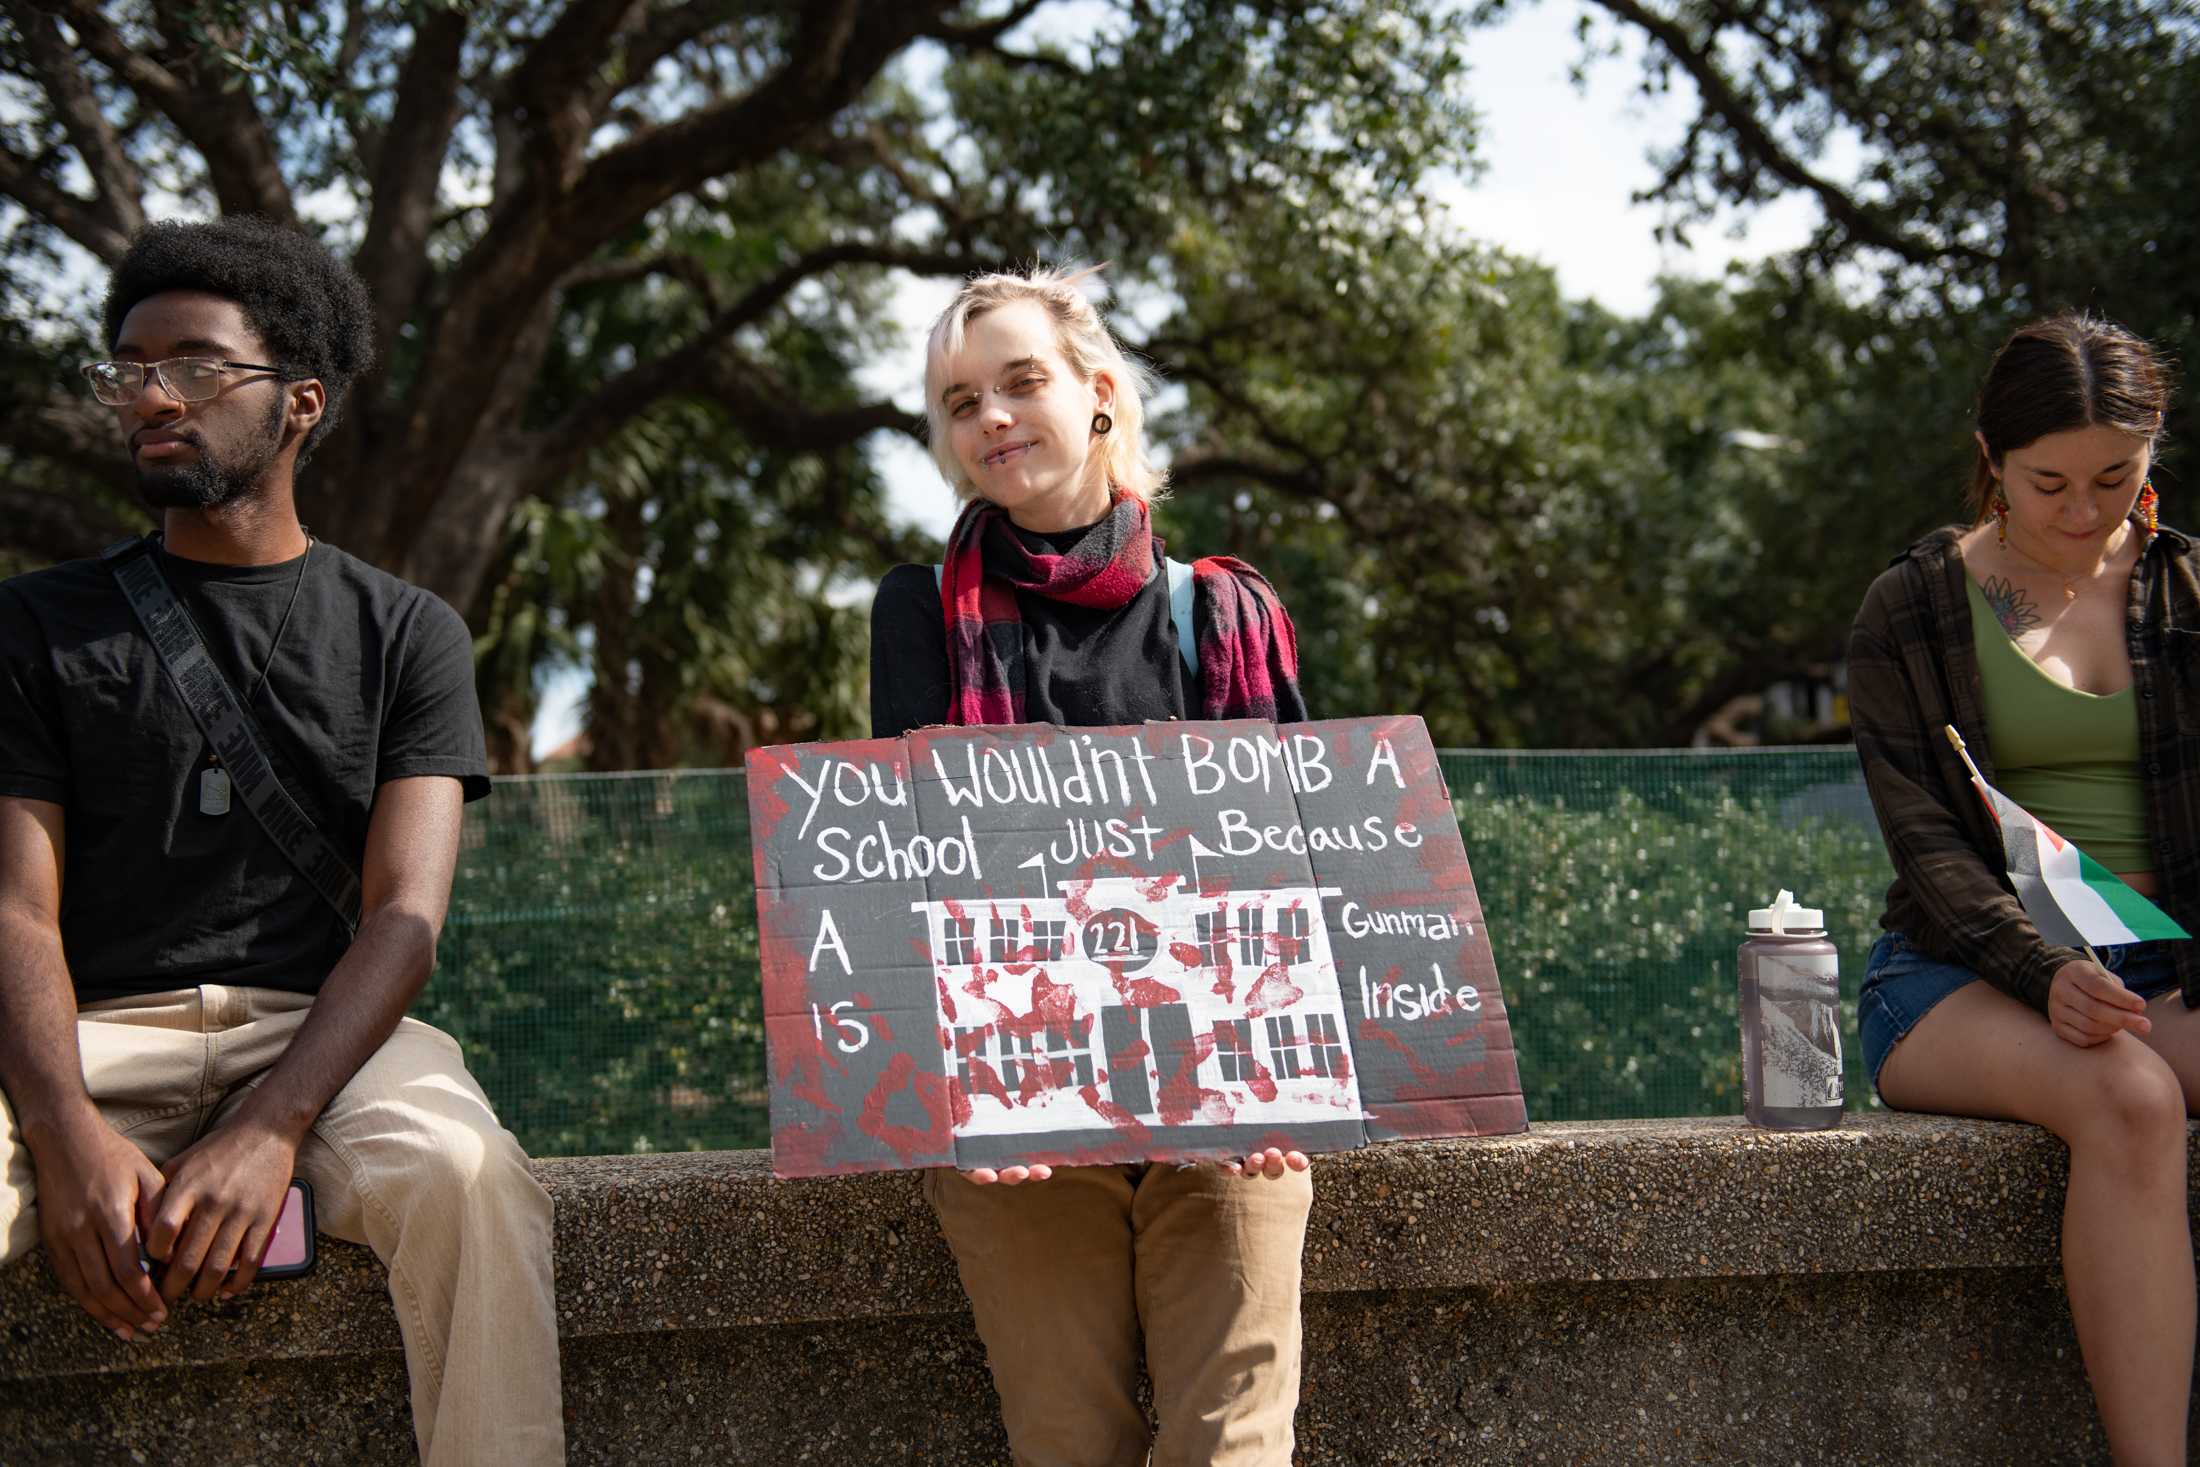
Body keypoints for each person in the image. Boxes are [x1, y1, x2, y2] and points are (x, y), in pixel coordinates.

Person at [0, 218, 564, 1465]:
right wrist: (58, 1129)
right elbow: (14, 910)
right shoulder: (33, 627)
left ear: (299, 402)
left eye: (194, 364)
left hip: (325, 1037)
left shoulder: (409, 634)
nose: (150, 394)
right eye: (128, 366)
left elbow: (405, 918)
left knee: (471, 1180)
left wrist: (272, 1124)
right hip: (86, 1034)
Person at [869, 265, 1313, 1466]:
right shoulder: (918, 613)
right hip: (1020, 1110)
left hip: (1219, 1102)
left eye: (1021, 384)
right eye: (961, 403)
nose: (993, 419)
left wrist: (1279, 1088)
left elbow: (1277, 876)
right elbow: (915, 873)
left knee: (1234, 1448)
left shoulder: (1221, 613)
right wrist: (988, 1091)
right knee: (1069, 1445)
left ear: (1100, 393)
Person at [1849, 312, 2195, 1466]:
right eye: (2049, 482)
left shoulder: (2187, 590)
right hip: (1956, 975)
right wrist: (2041, 968)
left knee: (2140, 1066)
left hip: (2166, 965)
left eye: (2117, 477)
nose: (2084, 512)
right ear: (1990, 457)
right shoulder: (1910, 607)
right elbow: (1928, 853)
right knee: (2132, 1100)